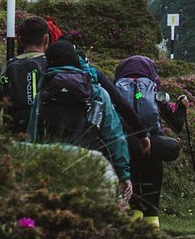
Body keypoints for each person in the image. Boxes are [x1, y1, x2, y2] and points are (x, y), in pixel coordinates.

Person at [28, 40, 133, 200]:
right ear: (76, 59)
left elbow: (33, 136)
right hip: (89, 166)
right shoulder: (97, 93)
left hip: (51, 168)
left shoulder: (42, 95)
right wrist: (123, 174)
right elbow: (114, 136)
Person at [114, 55, 186, 229]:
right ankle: (152, 217)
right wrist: (182, 107)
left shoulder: (115, 90)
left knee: (130, 175)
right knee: (153, 169)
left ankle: (133, 214)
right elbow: (177, 125)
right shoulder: (154, 91)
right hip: (151, 144)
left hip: (125, 146)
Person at [0, 16, 50, 135]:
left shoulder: (5, 68)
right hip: (45, 139)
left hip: (13, 137)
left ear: (19, 39)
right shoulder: (50, 65)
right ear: (46, 39)